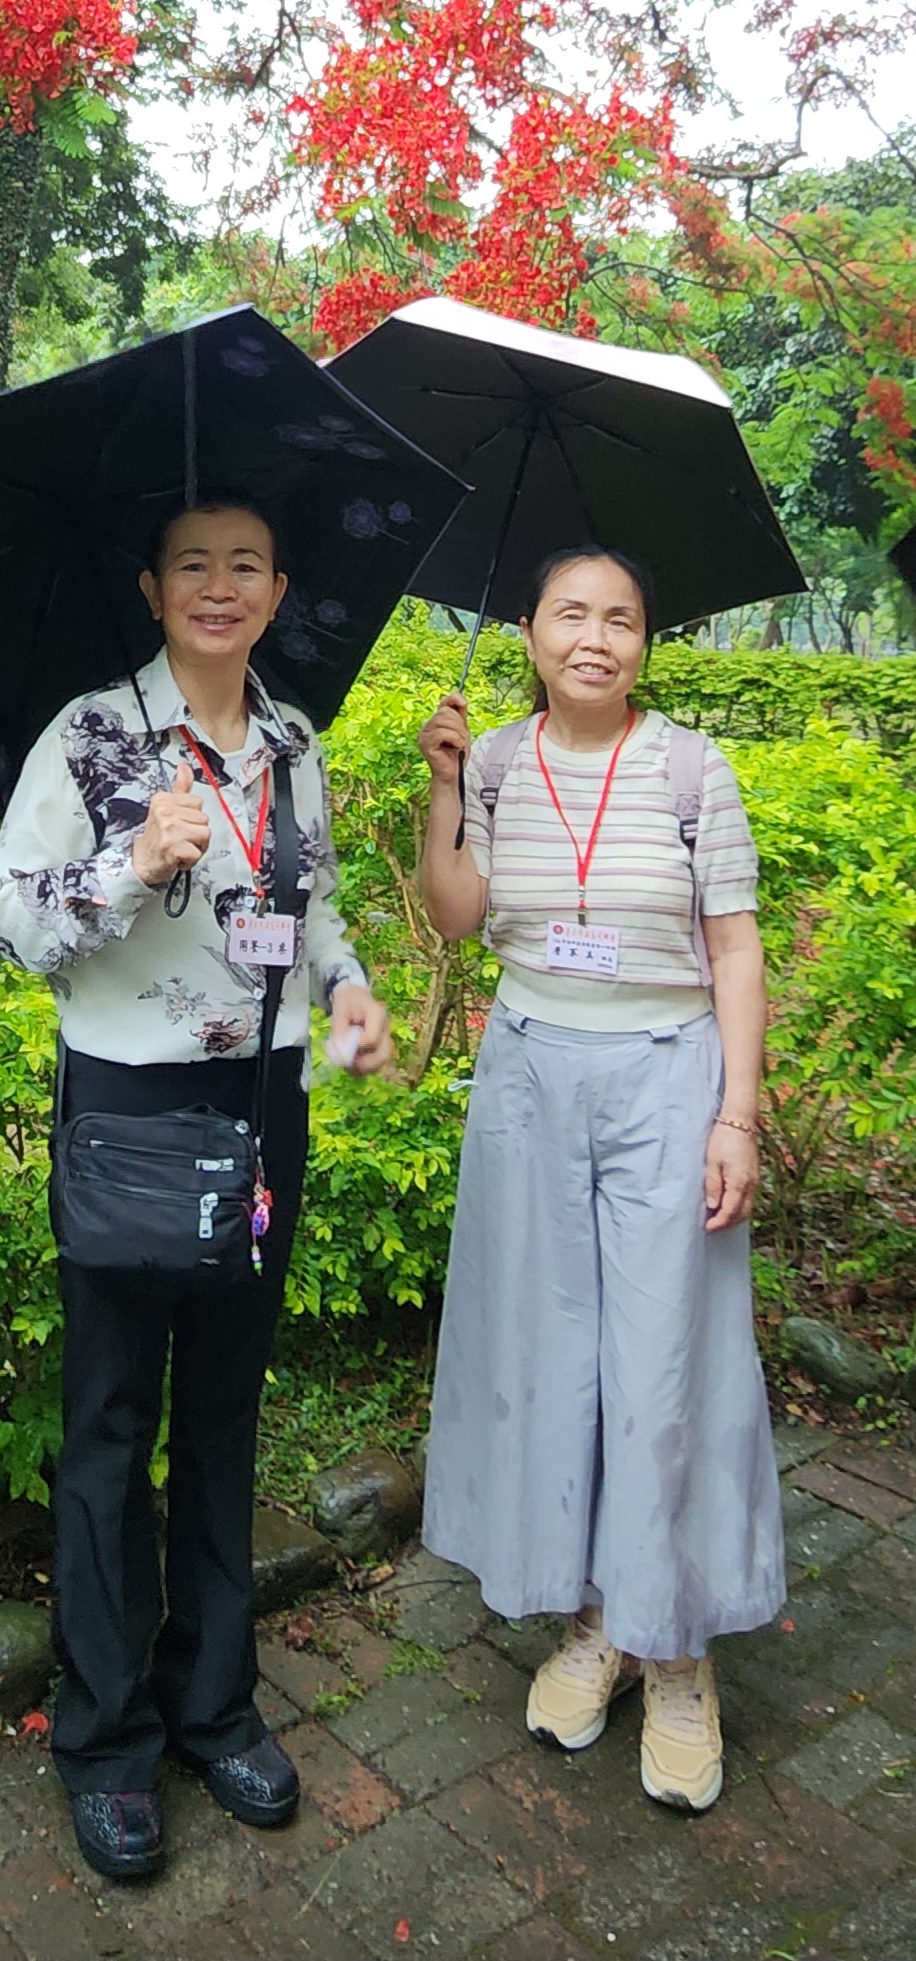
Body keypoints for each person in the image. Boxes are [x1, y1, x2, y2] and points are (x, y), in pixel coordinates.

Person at [0, 492, 392, 1885]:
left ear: (277, 591)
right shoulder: (94, 734)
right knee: (108, 1424)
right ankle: (105, 1739)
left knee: (223, 1412)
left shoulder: (292, 740)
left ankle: (215, 1706)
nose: (220, 585)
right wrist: (129, 864)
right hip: (131, 1111)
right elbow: (4, 916)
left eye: (245, 565)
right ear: (153, 588)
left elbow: (315, 905)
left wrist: (350, 989)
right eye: (193, 564)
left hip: (263, 1110)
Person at [416, 545, 785, 1816]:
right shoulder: (495, 762)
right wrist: (444, 789)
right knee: (551, 1355)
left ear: (643, 642)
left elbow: (733, 948)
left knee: (664, 1361)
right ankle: (598, 1617)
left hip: (666, 1074)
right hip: (530, 1072)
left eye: (619, 618)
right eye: (568, 613)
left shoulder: (690, 769)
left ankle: (675, 1651)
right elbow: (456, 915)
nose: (593, 637)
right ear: (526, 631)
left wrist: (736, 1115)